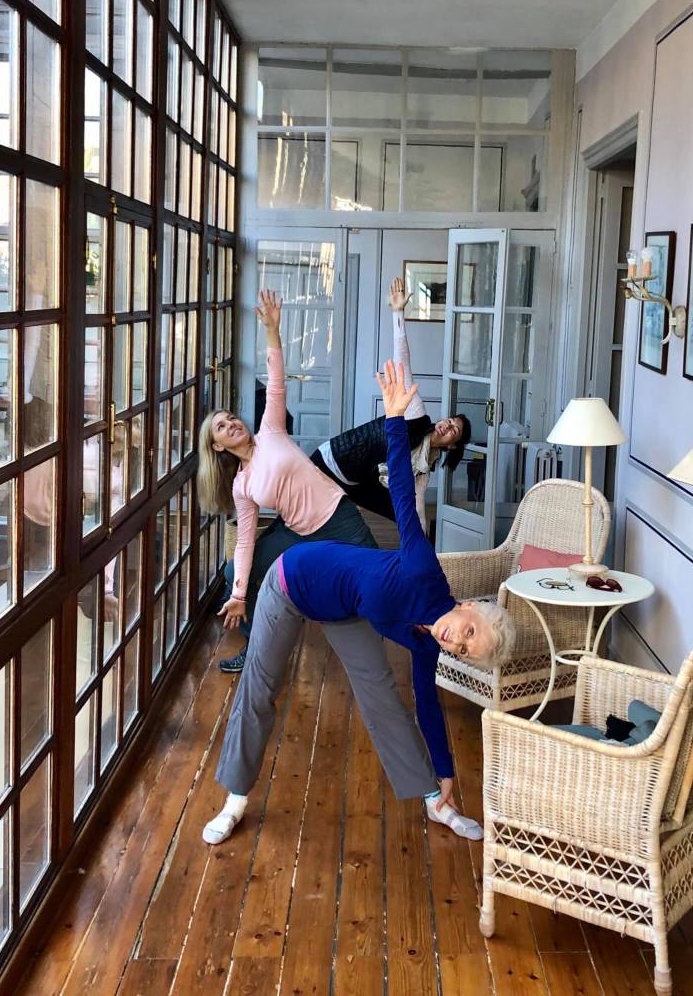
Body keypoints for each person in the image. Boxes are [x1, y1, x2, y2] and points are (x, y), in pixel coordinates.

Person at [202, 360, 515, 847]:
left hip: (342, 608)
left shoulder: (430, 644)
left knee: (382, 694)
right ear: (469, 605)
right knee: (260, 684)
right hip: (292, 581)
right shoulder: (424, 570)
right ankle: (235, 799)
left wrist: (445, 772)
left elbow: (428, 708)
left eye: (463, 651)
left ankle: (434, 801)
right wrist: (394, 420)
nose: (455, 641)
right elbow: (404, 495)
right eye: (468, 632)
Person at [198, 289, 377, 673]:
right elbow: (245, 540)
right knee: (233, 573)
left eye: (231, 418)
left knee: (379, 581)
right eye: (222, 427)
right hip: (297, 532)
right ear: (217, 446)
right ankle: (258, 650)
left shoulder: (271, 431)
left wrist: (272, 330)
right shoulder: (241, 485)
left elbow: (277, 380)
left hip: (337, 516)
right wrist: (239, 594)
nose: (232, 424)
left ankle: (427, 626)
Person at [311, 277, 471, 530]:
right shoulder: (416, 416)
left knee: (405, 515)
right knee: (305, 521)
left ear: (453, 446)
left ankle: (420, 550)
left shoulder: (424, 465)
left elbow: (417, 504)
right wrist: (398, 314)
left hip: (356, 481)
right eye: (449, 420)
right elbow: (402, 364)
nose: (447, 426)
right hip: (332, 461)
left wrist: (422, 536)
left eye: (454, 430)